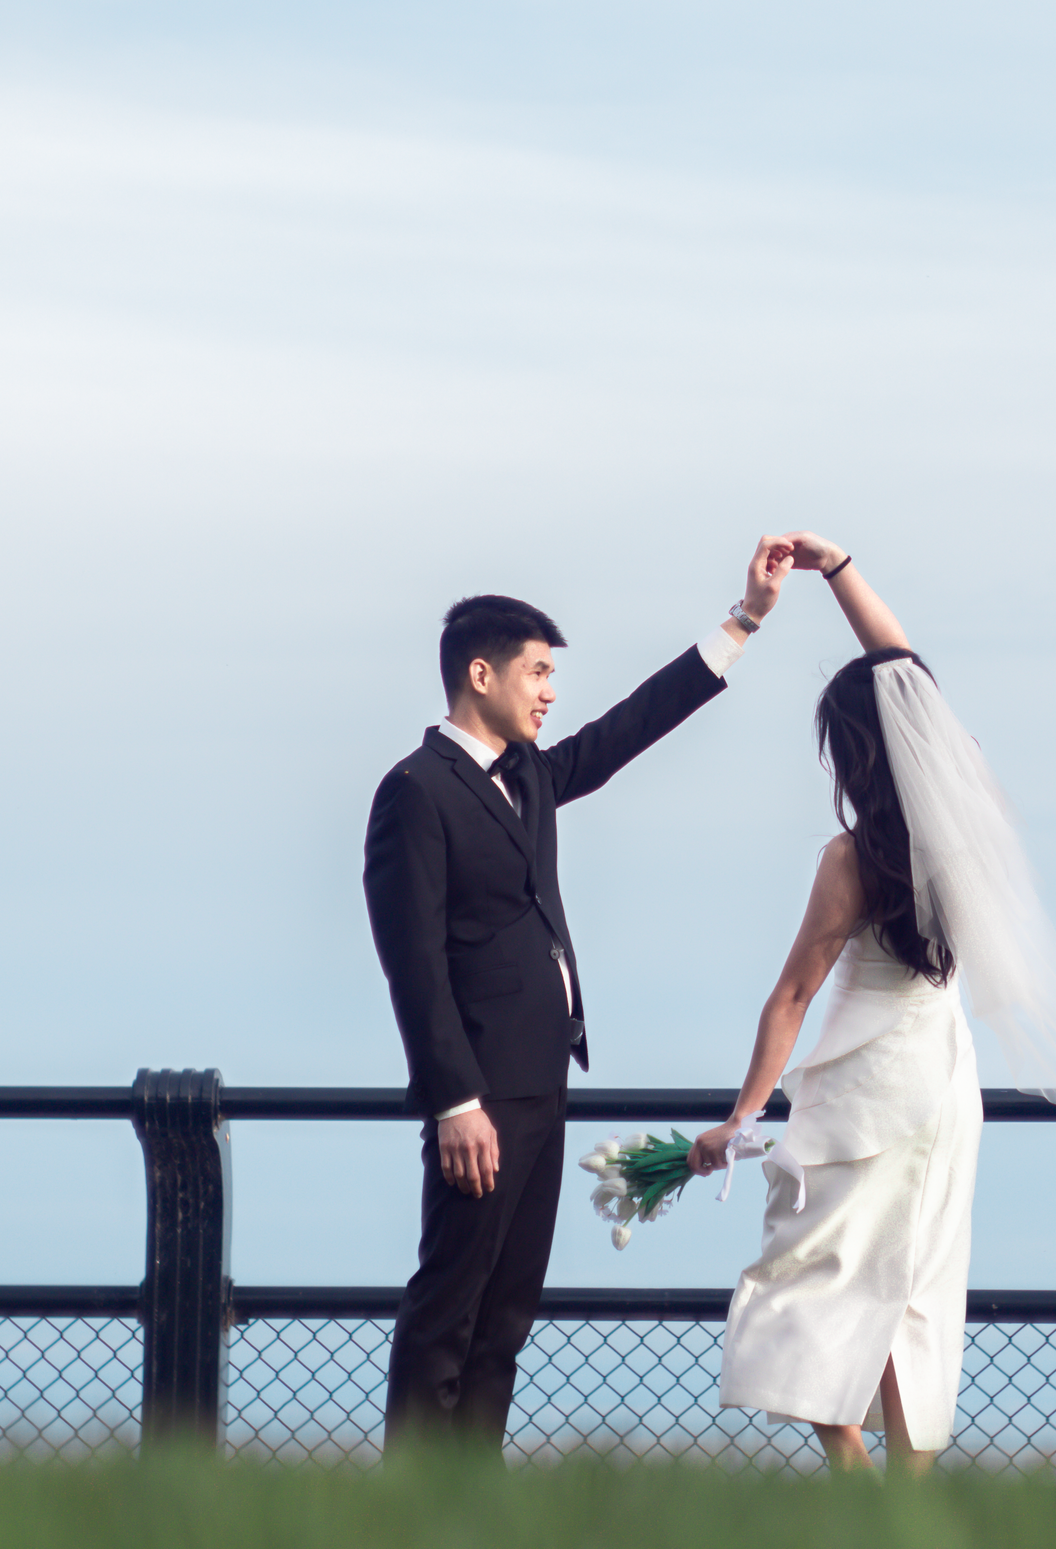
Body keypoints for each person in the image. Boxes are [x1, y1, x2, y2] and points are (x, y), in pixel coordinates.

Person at [688, 533, 1056, 1476]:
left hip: (867, 1085)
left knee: (807, 1275)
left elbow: (795, 991)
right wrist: (841, 567)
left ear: (852, 752)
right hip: (942, 1080)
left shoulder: (850, 861)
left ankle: (853, 1475)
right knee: (916, 1287)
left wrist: (741, 1114)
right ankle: (906, 1500)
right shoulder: (970, 818)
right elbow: (904, 673)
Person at [364, 539, 792, 1456]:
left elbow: (627, 729)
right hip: (478, 1093)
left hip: (542, 1077)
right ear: (480, 674)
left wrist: (743, 619)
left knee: (507, 1313)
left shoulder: (528, 776)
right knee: (450, 1302)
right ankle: (406, 1503)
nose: (550, 690)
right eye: (537, 671)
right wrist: (454, 1100)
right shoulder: (414, 792)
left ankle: (469, 1501)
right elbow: (414, 963)